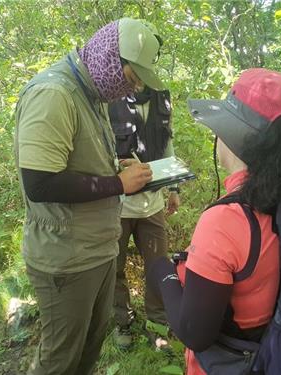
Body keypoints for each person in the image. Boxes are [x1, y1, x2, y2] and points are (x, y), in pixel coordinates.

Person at [148, 68, 281, 374]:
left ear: (230, 135)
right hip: (275, 352)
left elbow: (195, 332)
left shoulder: (226, 220)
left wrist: (162, 272)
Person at [14, 18, 163, 375]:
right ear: (110, 57)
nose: (134, 87)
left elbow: (76, 160)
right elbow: (39, 183)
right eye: (131, 77)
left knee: (88, 350)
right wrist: (118, 184)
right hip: (66, 258)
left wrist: (116, 168)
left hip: (95, 250)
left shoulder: (90, 93)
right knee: (60, 361)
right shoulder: (54, 93)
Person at [108, 83, 180, 350]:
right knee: (114, 267)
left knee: (158, 268)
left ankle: (157, 325)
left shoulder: (161, 98)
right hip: (117, 205)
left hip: (153, 205)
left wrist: (173, 187)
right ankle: (122, 321)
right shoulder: (110, 97)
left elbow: (167, 141)